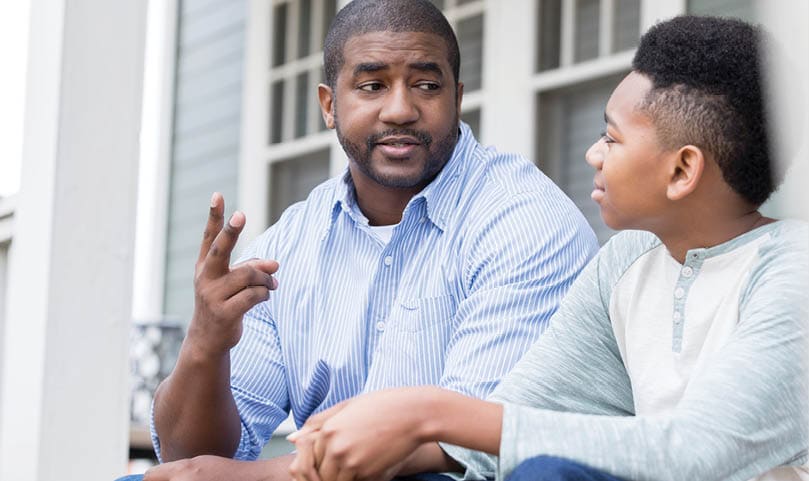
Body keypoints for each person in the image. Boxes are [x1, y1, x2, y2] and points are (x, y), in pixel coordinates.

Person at [286, 15, 809, 481]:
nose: (593, 153)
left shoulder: (792, 274)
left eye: (612, 138)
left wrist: (425, 410)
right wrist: (353, 447)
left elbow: (695, 453)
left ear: (681, 171)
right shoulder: (626, 263)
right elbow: (522, 423)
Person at [133, 0, 598, 480]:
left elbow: (470, 449)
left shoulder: (523, 221)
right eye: (372, 85)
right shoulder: (287, 247)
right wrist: (204, 344)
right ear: (330, 105)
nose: (400, 110)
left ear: (457, 97)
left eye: (426, 85)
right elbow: (189, 461)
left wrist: (256, 476)